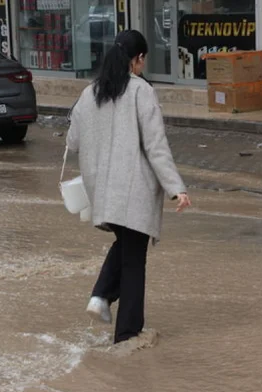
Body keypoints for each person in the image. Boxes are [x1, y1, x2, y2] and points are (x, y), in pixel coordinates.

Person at [65, 30, 191, 344]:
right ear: (138, 58)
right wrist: (176, 187)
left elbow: (73, 142)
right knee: (134, 260)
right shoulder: (141, 91)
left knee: (126, 246)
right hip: (135, 190)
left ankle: (102, 297)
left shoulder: (89, 93)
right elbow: (155, 145)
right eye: (143, 60)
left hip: (102, 189)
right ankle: (126, 335)